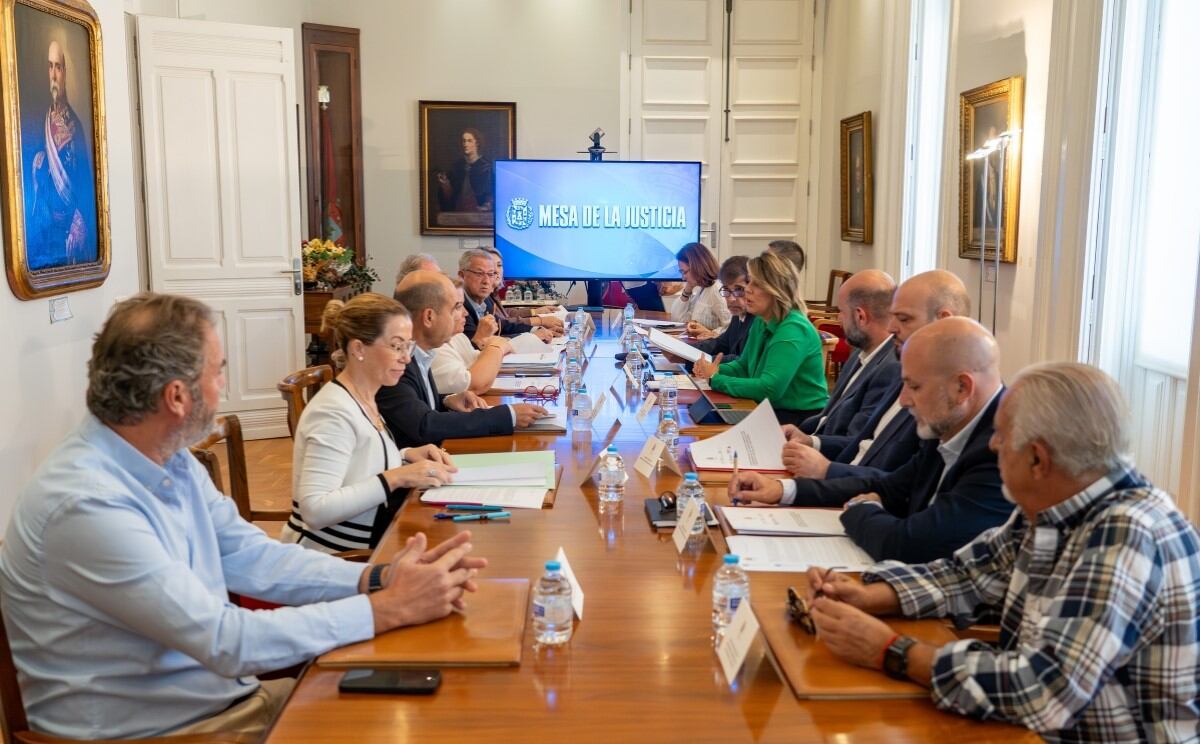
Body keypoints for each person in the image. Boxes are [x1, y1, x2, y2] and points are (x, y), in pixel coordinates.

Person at [0, 293, 486, 738]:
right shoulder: (87, 505)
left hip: (222, 702)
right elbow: (226, 640)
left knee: (430, 706)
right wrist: (387, 608)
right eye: (218, 371)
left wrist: (377, 578)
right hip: (165, 732)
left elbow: (254, 557)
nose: (225, 386)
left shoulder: (166, 458)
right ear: (176, 396)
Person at [801, 363, 1200, 742]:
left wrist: (893, 652)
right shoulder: (1059, 504)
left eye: (1001, 435)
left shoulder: (1126, 534)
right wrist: (871, 594)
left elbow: (1044, 690)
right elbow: (970, 574)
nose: (992, 445)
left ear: (1038, 459)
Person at [730, 317, 1012, 563]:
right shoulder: (951, 421)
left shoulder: (1001, 451)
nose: (904, 400)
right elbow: (887, 486)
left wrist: (860, 508)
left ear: (962, 388)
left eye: (914, 387)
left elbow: (908, 544)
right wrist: (782, 490)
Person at [281, 294, 459, 553]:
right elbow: (315, 510)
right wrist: (397, 477)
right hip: (336, 560)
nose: (406, 358)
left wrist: (407, 455)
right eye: (396, 346)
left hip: (371, 542)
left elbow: (358, 462)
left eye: (408, 346)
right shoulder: (333, 412)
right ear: (358, 349)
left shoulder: (364, 396)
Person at [783, 269, 969, 481]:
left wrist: (823, 471)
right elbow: (865, 448)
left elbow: (899, 484)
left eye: (904, 319)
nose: (891, 328)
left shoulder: (920, 382)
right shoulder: (898, 363)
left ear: (942, 319)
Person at [379, 270, 548, 447]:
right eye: (457, 307)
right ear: (429, 317)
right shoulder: (396, 363)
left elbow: (416, 405)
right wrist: (508, 415)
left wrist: (446, 400)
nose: (466, 314)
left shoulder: (421, 351)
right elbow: (424, 425)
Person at [692, 252, 827, 426]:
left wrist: (716, 379)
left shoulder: (793, 328)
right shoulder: (762, 320)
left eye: (755, 284)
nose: (747, 289)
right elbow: (744, 366)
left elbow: (769, 389)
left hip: (798, 421)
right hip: (769, 410)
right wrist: (712, 369)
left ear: (775, 289)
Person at [797, 270, 898, 441]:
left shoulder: (890, 368)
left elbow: (855, 440)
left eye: (841, 311)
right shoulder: (859, 351)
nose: (838, 318)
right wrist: (794, 433)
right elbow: (828, 415)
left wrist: (811, 443)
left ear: (860, 316)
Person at [27, 40, 96, 270]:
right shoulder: (42, 120)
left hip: (70, 229)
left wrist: (80, 219)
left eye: (58, 66)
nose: (54, 74)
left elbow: (87, 180)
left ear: (64, 72)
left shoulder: (74, 124)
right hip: (48, 226)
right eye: (50, 66)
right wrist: (39, 162)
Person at [458, 249, 556, 345]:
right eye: (479, 274)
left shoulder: (486, 300)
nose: (486, 281)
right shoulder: (459, 307)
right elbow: (475, 346)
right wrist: (531, 337)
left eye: (491, 274)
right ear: (462, 276)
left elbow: (503, 325)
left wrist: (534, 329)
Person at [431, 278, 513, 394]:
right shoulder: (435, 348)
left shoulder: (457, 336)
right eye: (458, 306)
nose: (466, 313)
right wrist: (496, 346)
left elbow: (481, 361)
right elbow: (475, 384)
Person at [688, 255, 752, 365]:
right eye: (726, 290)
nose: (731, 299)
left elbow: (742, 360)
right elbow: (722, 344)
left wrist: (698, 361)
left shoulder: (758, 319)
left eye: (739, 290)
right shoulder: (738, 314)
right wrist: (684, 349)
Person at [483, 246, 564, 329]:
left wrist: (536, 311)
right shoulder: (483, 294)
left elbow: (505, 314)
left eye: (499, 265)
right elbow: (503, 324)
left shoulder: (493, 292)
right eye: (491, 265)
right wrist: (540, 321)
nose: (496, 271)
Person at [669, 242, 731, 335]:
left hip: (713, 347)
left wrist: (710, 333)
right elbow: (677, 319)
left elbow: (732, 329)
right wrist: (687, 290)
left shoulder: (717, 289)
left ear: (697, 267)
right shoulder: (701, 288)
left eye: (685, 272)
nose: (683, 278)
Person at [435, 127, 493, 214]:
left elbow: (492, 196)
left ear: (477, 143)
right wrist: (445, 185)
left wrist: (487, 206)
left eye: (469, 141)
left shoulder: (487, 167)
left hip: (480, 215)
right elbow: (450, 198)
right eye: (464, 141)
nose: (465, 144)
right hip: (458, 214)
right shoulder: (456, 166)